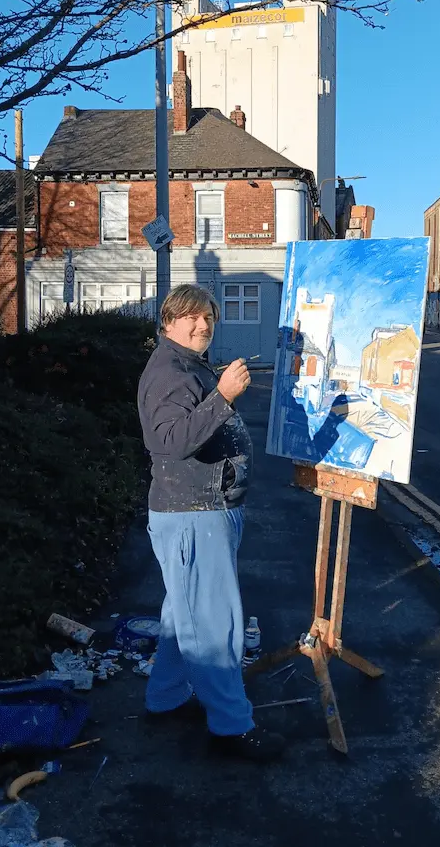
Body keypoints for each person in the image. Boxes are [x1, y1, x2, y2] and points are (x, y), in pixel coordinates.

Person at [137, 283, 284, 761]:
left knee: (183, 614)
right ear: (169, 322)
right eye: (192, 318)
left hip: (199, 512)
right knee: (215, 622)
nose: (203, 325)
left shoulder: (185, 366)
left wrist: (215, 390)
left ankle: (166, 697)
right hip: (192, 515)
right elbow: (170, 442)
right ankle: (231, 727)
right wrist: (222, 396)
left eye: (209, 318)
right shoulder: (169, 372)